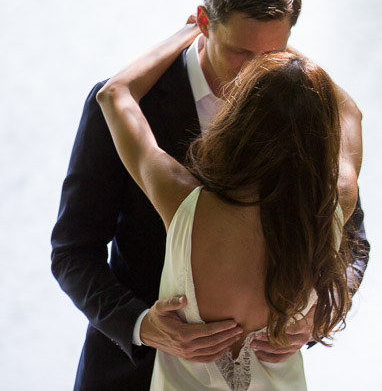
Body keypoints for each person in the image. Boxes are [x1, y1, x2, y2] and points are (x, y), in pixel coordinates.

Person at [51, 0, 369, 390]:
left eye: (271, 54)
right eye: (240, 52)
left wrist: (318, 312)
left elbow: (352, 242)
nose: (252, 73)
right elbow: (72, 251)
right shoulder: (137, 108)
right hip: (127, 375)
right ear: (203, 21)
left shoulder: (300, 115)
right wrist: (141, 324)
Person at [96, 23, 353, 390]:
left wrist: (190, 33)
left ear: (241, 119)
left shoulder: (184, 202)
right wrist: (283, 52)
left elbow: (114, 96)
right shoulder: (335, 206)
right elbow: (352, 113)